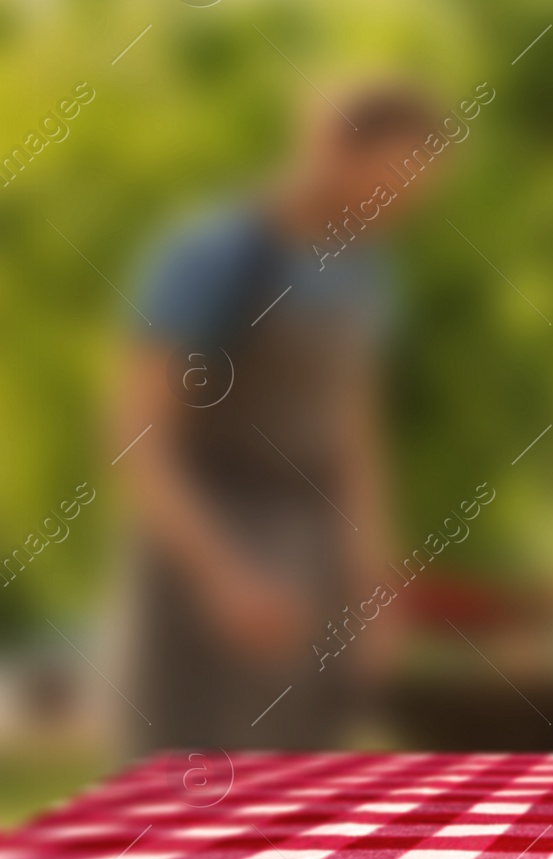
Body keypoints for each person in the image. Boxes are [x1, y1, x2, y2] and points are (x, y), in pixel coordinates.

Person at [115, 85, 443, 756]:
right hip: (211, 544)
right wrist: (222, 577)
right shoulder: (212, 258)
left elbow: (356, 438)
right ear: (330, 151)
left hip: (312, 549)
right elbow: (140, 440)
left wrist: (372, 586)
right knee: (188, 792)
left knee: (301, 790)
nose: (405, 203)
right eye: (393, 176)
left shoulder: (368, 270)